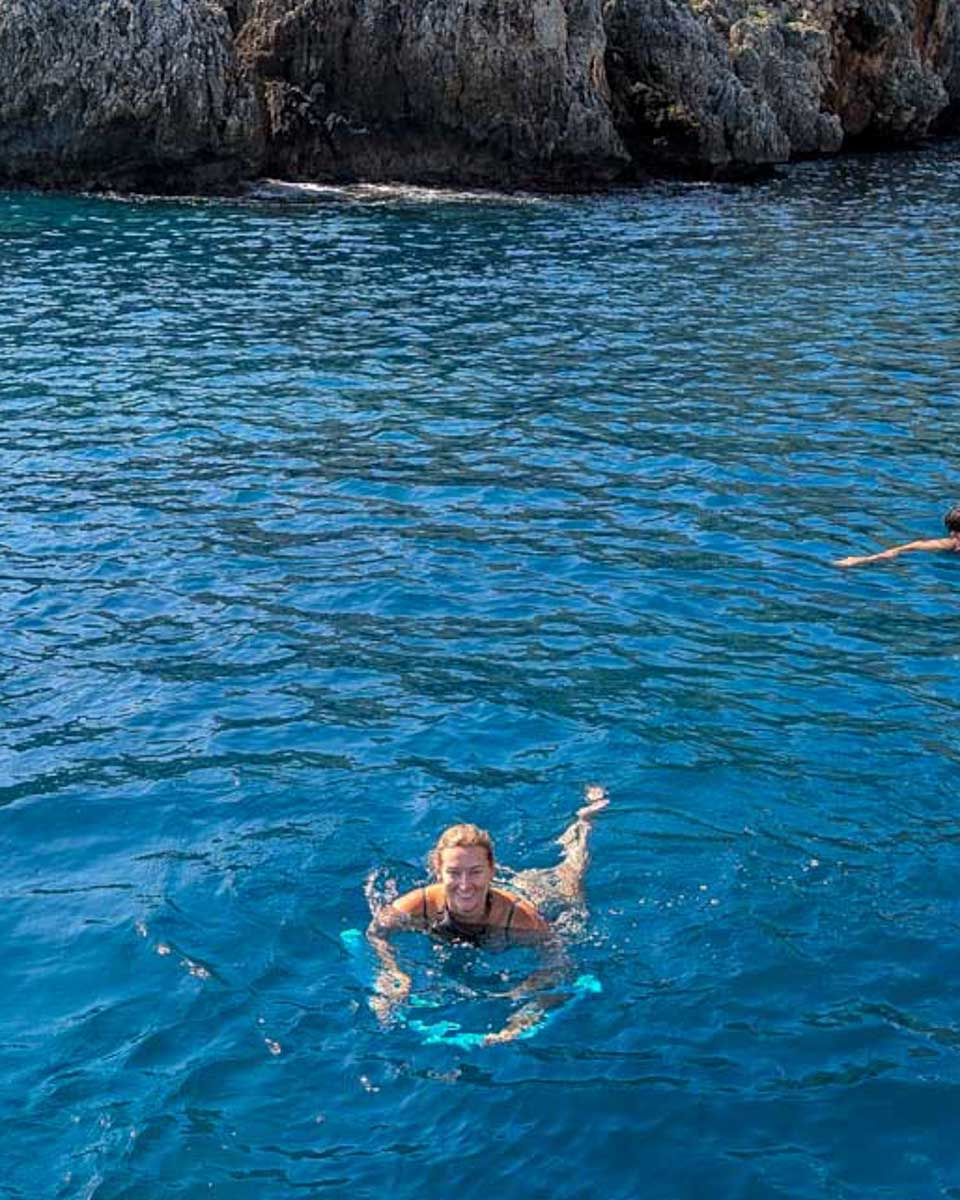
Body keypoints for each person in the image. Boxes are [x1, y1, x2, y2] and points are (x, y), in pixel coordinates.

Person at [366, 785, 609, 1043]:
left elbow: (561, 965)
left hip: (538, 895)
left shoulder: (521, 920)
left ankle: (585, 821)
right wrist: (391, 972)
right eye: (454, 872)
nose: (464, 884)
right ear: (438, 870)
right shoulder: (419, 904)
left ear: (492, 870)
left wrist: (526, 1007)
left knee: (571, 874)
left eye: (475, 871)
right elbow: (376, 933)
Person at [833, 505, 960, 568]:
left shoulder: (951, 543)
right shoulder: (950, 544)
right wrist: (863, 560)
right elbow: (907, 548)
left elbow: (911, 547)